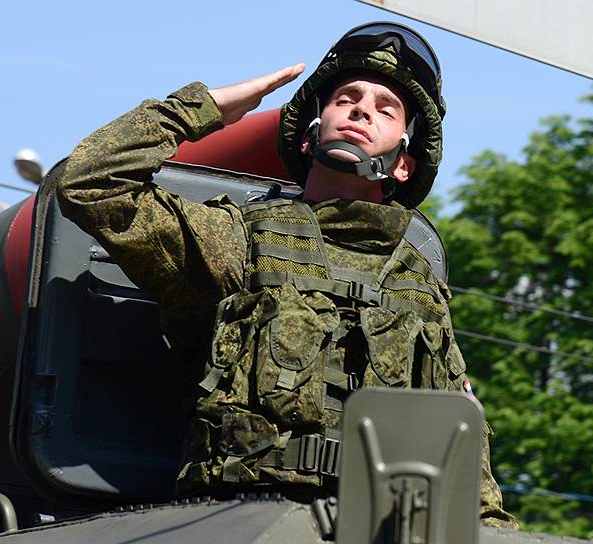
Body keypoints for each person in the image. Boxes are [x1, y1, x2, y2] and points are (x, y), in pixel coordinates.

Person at [55, 22, 517, 528]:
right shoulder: (239, 242)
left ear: (405, 163)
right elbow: (90, 183)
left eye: (386, 108)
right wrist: (203, 108)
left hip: (378, 528)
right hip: (237, 518)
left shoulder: (418, 286)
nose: (362, 109)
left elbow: (464, 449)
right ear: (309, 133)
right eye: (346, 99)